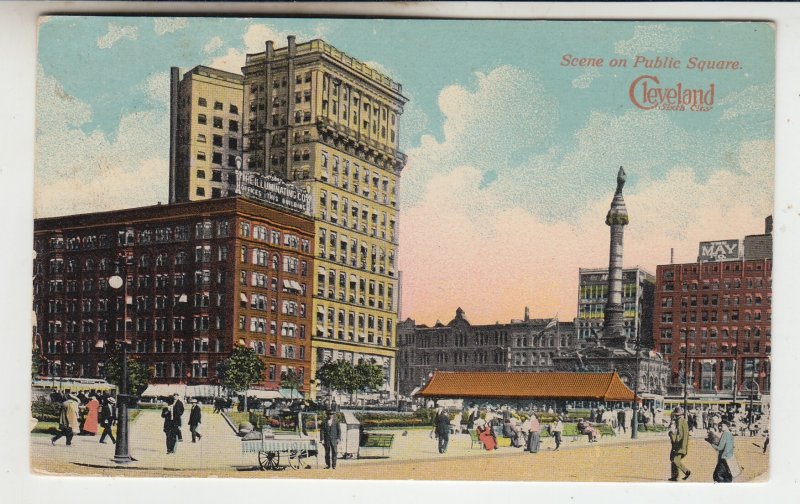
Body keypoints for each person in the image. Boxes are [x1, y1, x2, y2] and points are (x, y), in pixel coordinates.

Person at [668, 407, 691, 481]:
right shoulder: (682, 421)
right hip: (681, 445)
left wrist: (672, 435)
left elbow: (680, 435)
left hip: (680, 445)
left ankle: (686, 472)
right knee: (673, 459)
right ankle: (674, 476)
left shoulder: (680, 421)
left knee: (675, 460)